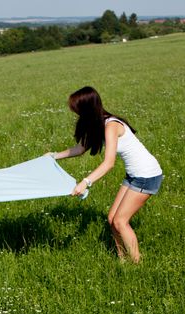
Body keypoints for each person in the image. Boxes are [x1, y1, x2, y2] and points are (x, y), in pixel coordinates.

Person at [50, 86, 162, 263]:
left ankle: (137, 264)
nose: (75, 113)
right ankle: (122, 260)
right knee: (112, 219)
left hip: (147, 176)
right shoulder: (96, 123)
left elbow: (109, 163)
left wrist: (85, 182)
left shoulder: (111, 126)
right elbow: (80, 149)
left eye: (77, 109)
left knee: (120, 222)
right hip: (134, 175)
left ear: (86, 108)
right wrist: (53, 157)